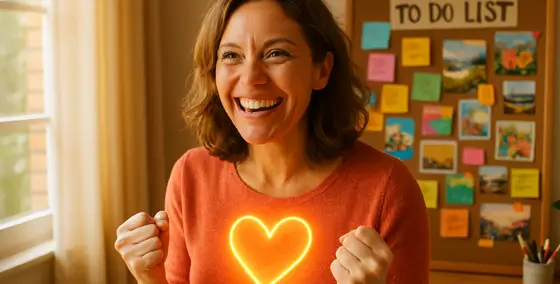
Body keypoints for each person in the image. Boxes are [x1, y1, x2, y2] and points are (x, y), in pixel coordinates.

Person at [114, 0, 430, 283]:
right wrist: (149, 277)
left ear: (321, 70)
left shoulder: (387, 188)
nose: (252, 77)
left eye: (276, 53)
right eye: (231, 56)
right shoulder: (190, 176)